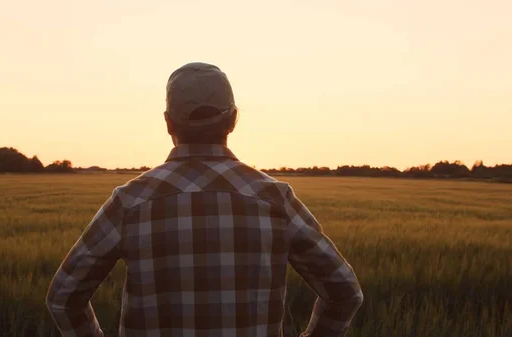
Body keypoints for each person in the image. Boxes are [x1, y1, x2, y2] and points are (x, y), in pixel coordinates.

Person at [46, 62, 363, 337]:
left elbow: (63, 297)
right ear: (233, 120)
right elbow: (345, 293)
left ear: (168, 122)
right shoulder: (275, 200)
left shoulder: (130, 201)